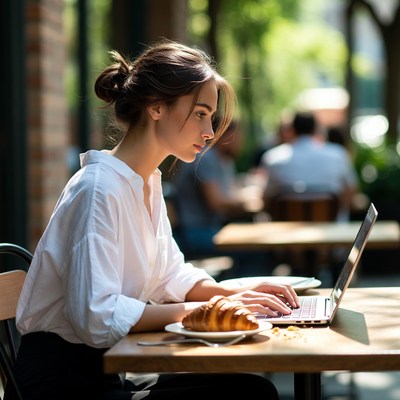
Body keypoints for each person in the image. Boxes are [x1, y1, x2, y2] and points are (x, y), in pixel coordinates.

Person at [9, 40, 300, 400]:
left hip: (108, 373)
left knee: (251, 387)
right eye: (200, 113)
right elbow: (95, 316)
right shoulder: (99, 189)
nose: (209, 131)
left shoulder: (145, 182)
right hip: (64, 388)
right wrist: (202, 311)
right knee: (247, 395)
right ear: (156, 106)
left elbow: (169, 275)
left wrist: (235, 293)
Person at [260, 111, 359, 220]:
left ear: (292, 130)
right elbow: (351, 192)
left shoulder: (272, 158)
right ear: (315, 129)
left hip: (285, 233)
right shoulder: (338, 154)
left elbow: (266, 199)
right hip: (331, 231)